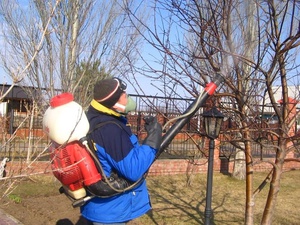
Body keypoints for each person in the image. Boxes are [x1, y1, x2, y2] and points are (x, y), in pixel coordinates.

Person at [81, 77, 162, 225]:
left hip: (104, 209)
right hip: (111, 212)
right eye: (125, 95)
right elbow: (134, 169)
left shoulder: (95, 118)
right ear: (114, 103)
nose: (128, 97)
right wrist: (152, 141)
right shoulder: (109, 129)